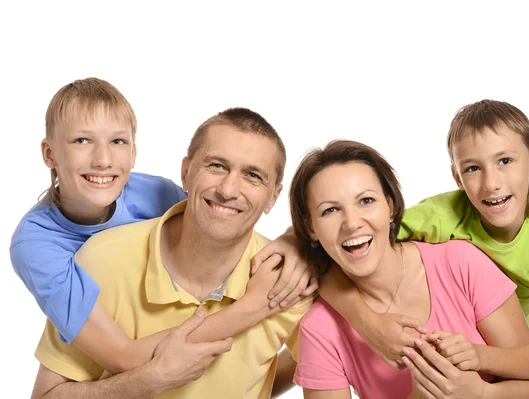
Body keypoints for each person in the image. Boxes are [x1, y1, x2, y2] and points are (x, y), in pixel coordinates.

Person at [10, 77, 315, 393]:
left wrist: (297, 240)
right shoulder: (51, 249)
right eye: (216, 166)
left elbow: (332, 359)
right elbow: (121, 356)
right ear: (186, 173)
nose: (102, 161)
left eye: (117, 142)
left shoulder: (157, 195)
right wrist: (254, 307)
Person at [317, 100, 529, 398]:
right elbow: (345, 248)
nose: (491, 183)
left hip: (511, 342)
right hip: (454, 333)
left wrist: (479, 359)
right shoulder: (440, 214)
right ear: (456, 177)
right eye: (473, 168)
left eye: (505, 161)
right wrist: (368, 323)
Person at [288, 140, 529, 398]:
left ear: (390, 207)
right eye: (330, 210)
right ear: (311, 227)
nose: (352, 223)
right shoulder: (319, 329)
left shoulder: (461, 263)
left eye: (366, 200)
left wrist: (479, 393)